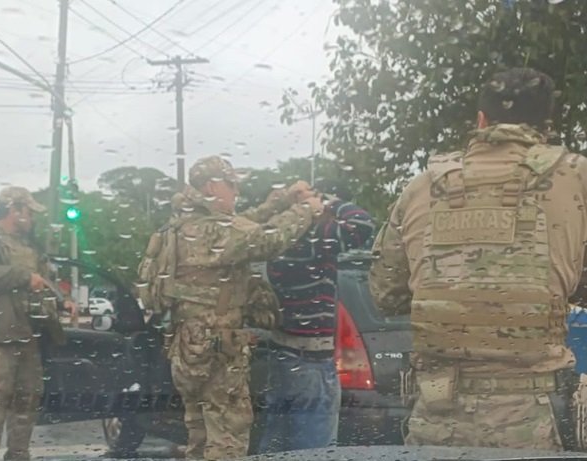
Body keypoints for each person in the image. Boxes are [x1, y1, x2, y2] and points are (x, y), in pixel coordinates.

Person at [369, 67, 587, 450]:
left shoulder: (423, 186)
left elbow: (386, 294)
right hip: (532, 417)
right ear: (545, 128)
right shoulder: (576, 179)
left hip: (435, 416)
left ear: (481, 120)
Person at [146, 155, 323, 460]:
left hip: (188, 346)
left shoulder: (184, 224)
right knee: (228, 436)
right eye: (231, 185)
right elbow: (266, 239)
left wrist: (279, 201)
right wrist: (306, 209)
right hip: (218, 349)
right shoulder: (212, 230)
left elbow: (242, 225)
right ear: (212, 187)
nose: (236, 192)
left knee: (200, 435)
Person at [257, 180, 375, 453]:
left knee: (277, 442)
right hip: (312, 361)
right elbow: (362, 225)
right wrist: (327, 201)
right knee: (315, 450)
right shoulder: (314, 237)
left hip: (282, 355)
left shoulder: (276, 242)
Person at [0, 186, 72, 461]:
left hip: (28, 335)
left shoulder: (29, 244)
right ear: (14, 210)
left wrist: (61, 300)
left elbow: (42, 278)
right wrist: (22, 276)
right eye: (29, 212)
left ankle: (19, 455)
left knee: (27, 401)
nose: (32, 218)